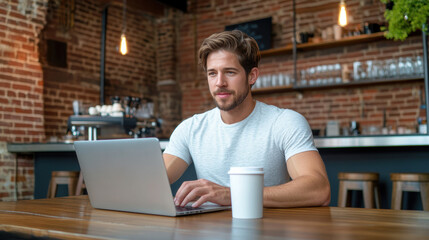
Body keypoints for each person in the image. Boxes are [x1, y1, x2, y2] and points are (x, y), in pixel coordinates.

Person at [163, 30, 330, 208]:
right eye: (212, 73)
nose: (219, 82)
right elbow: (152, 181)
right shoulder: (190, 128)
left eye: (230, 72)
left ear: (252, 76)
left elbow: (318, 189)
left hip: (265, 231)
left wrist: (233, 195)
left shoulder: (284, 122)